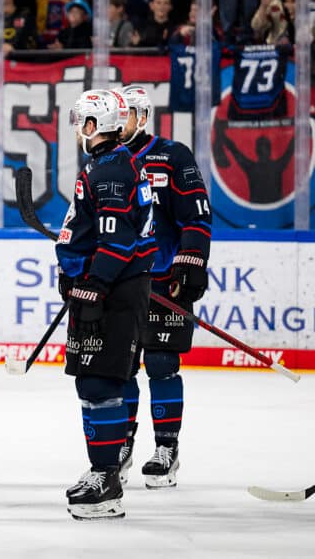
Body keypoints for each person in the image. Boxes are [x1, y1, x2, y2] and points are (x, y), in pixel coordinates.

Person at [56, 89, 155, 520]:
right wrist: (73, 270)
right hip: (108, 287)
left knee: (100, 384)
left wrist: (93, 283)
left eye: (83, 121)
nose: (79, 128)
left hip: (113, 291)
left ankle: (107, 479)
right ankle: (103, 471)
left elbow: (117, 240)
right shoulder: (106, 165)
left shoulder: (111, 171)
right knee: (91, 384)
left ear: (96, 126)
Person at [115, 85, 211, 490]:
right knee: (118, 366)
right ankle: (121, 443)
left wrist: (190, 263)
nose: (118, 123)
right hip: (120, 278)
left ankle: (166, 448)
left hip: (164, 278)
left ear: (142, 116)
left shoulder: (173, 156)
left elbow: (197, 213)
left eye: (126, 115)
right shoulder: (106, 158)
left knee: (160, 364)